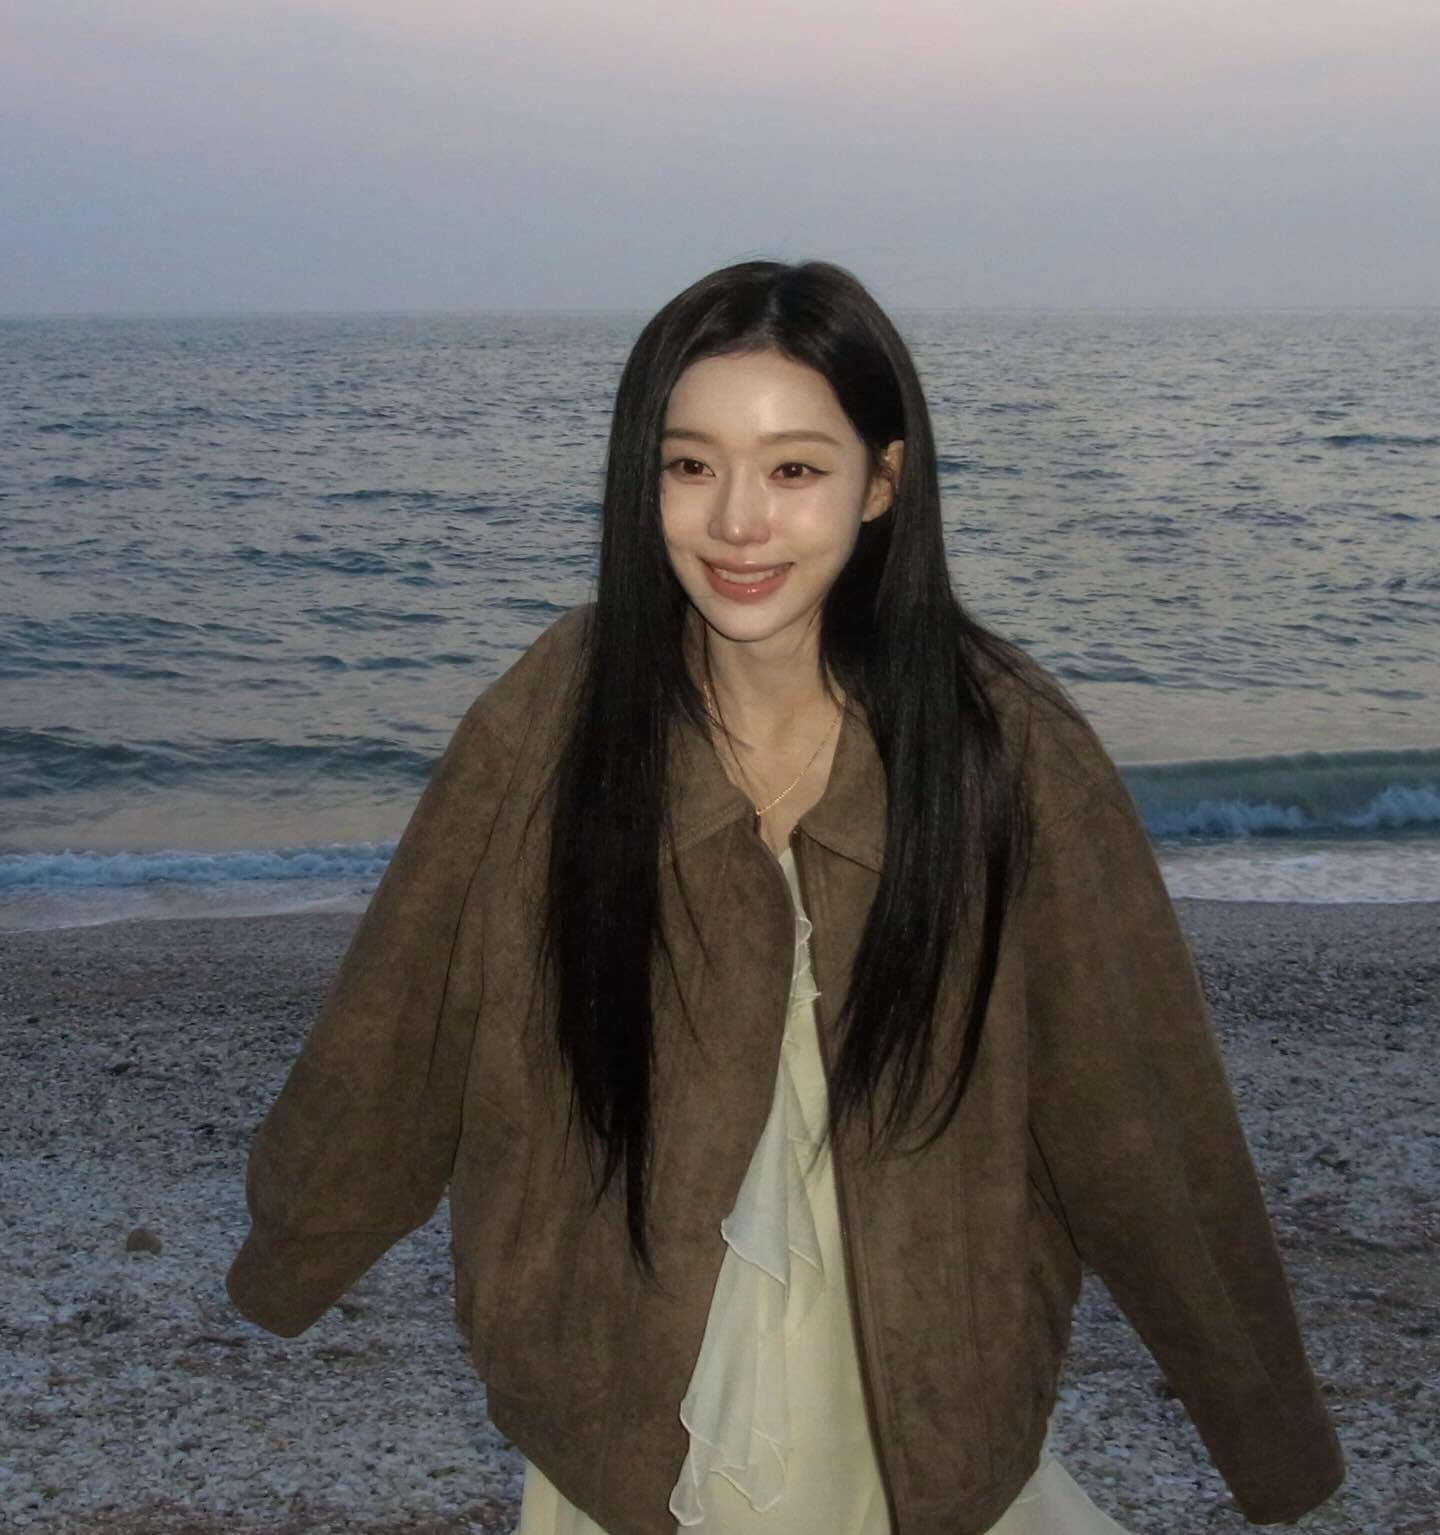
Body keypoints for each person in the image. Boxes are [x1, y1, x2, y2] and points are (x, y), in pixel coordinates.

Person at [225, 259, 1345, 1535]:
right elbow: (404, 1013)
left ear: (882, 480)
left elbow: (1141, 1113)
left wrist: (1262, 1422)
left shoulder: (1001, 745)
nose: (737, 522)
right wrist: (296, 1244)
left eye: (795, 468)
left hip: (915, 1398)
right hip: (620, 1393)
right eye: (689, 464)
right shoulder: (560, 709)